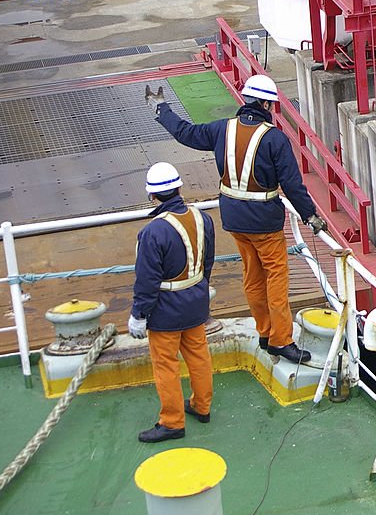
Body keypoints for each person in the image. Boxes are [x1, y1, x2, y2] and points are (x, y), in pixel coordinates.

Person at [147, 75, 327, 364]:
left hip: (234, 220)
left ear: (245, 100)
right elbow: (293, 185)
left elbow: (186, 133)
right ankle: (281, 340)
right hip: (265, 224)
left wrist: (163, 109)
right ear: (267, 103)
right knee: (276, 280)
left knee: (253, 277)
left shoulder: (222, 130)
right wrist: (310, 216)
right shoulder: (275, 139)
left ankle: (265, 332)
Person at [129, 162, 216, 443]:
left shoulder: (153, 232)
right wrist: (200, 290)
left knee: (166, 365)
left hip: (166, 311)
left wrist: (139, 315)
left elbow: (146, 280)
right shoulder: (203, 218)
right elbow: (208, 261)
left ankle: (172, 422)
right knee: (199, 355)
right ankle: (202, 407)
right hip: (196, 302)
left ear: (152, 196)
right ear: (179, 188)